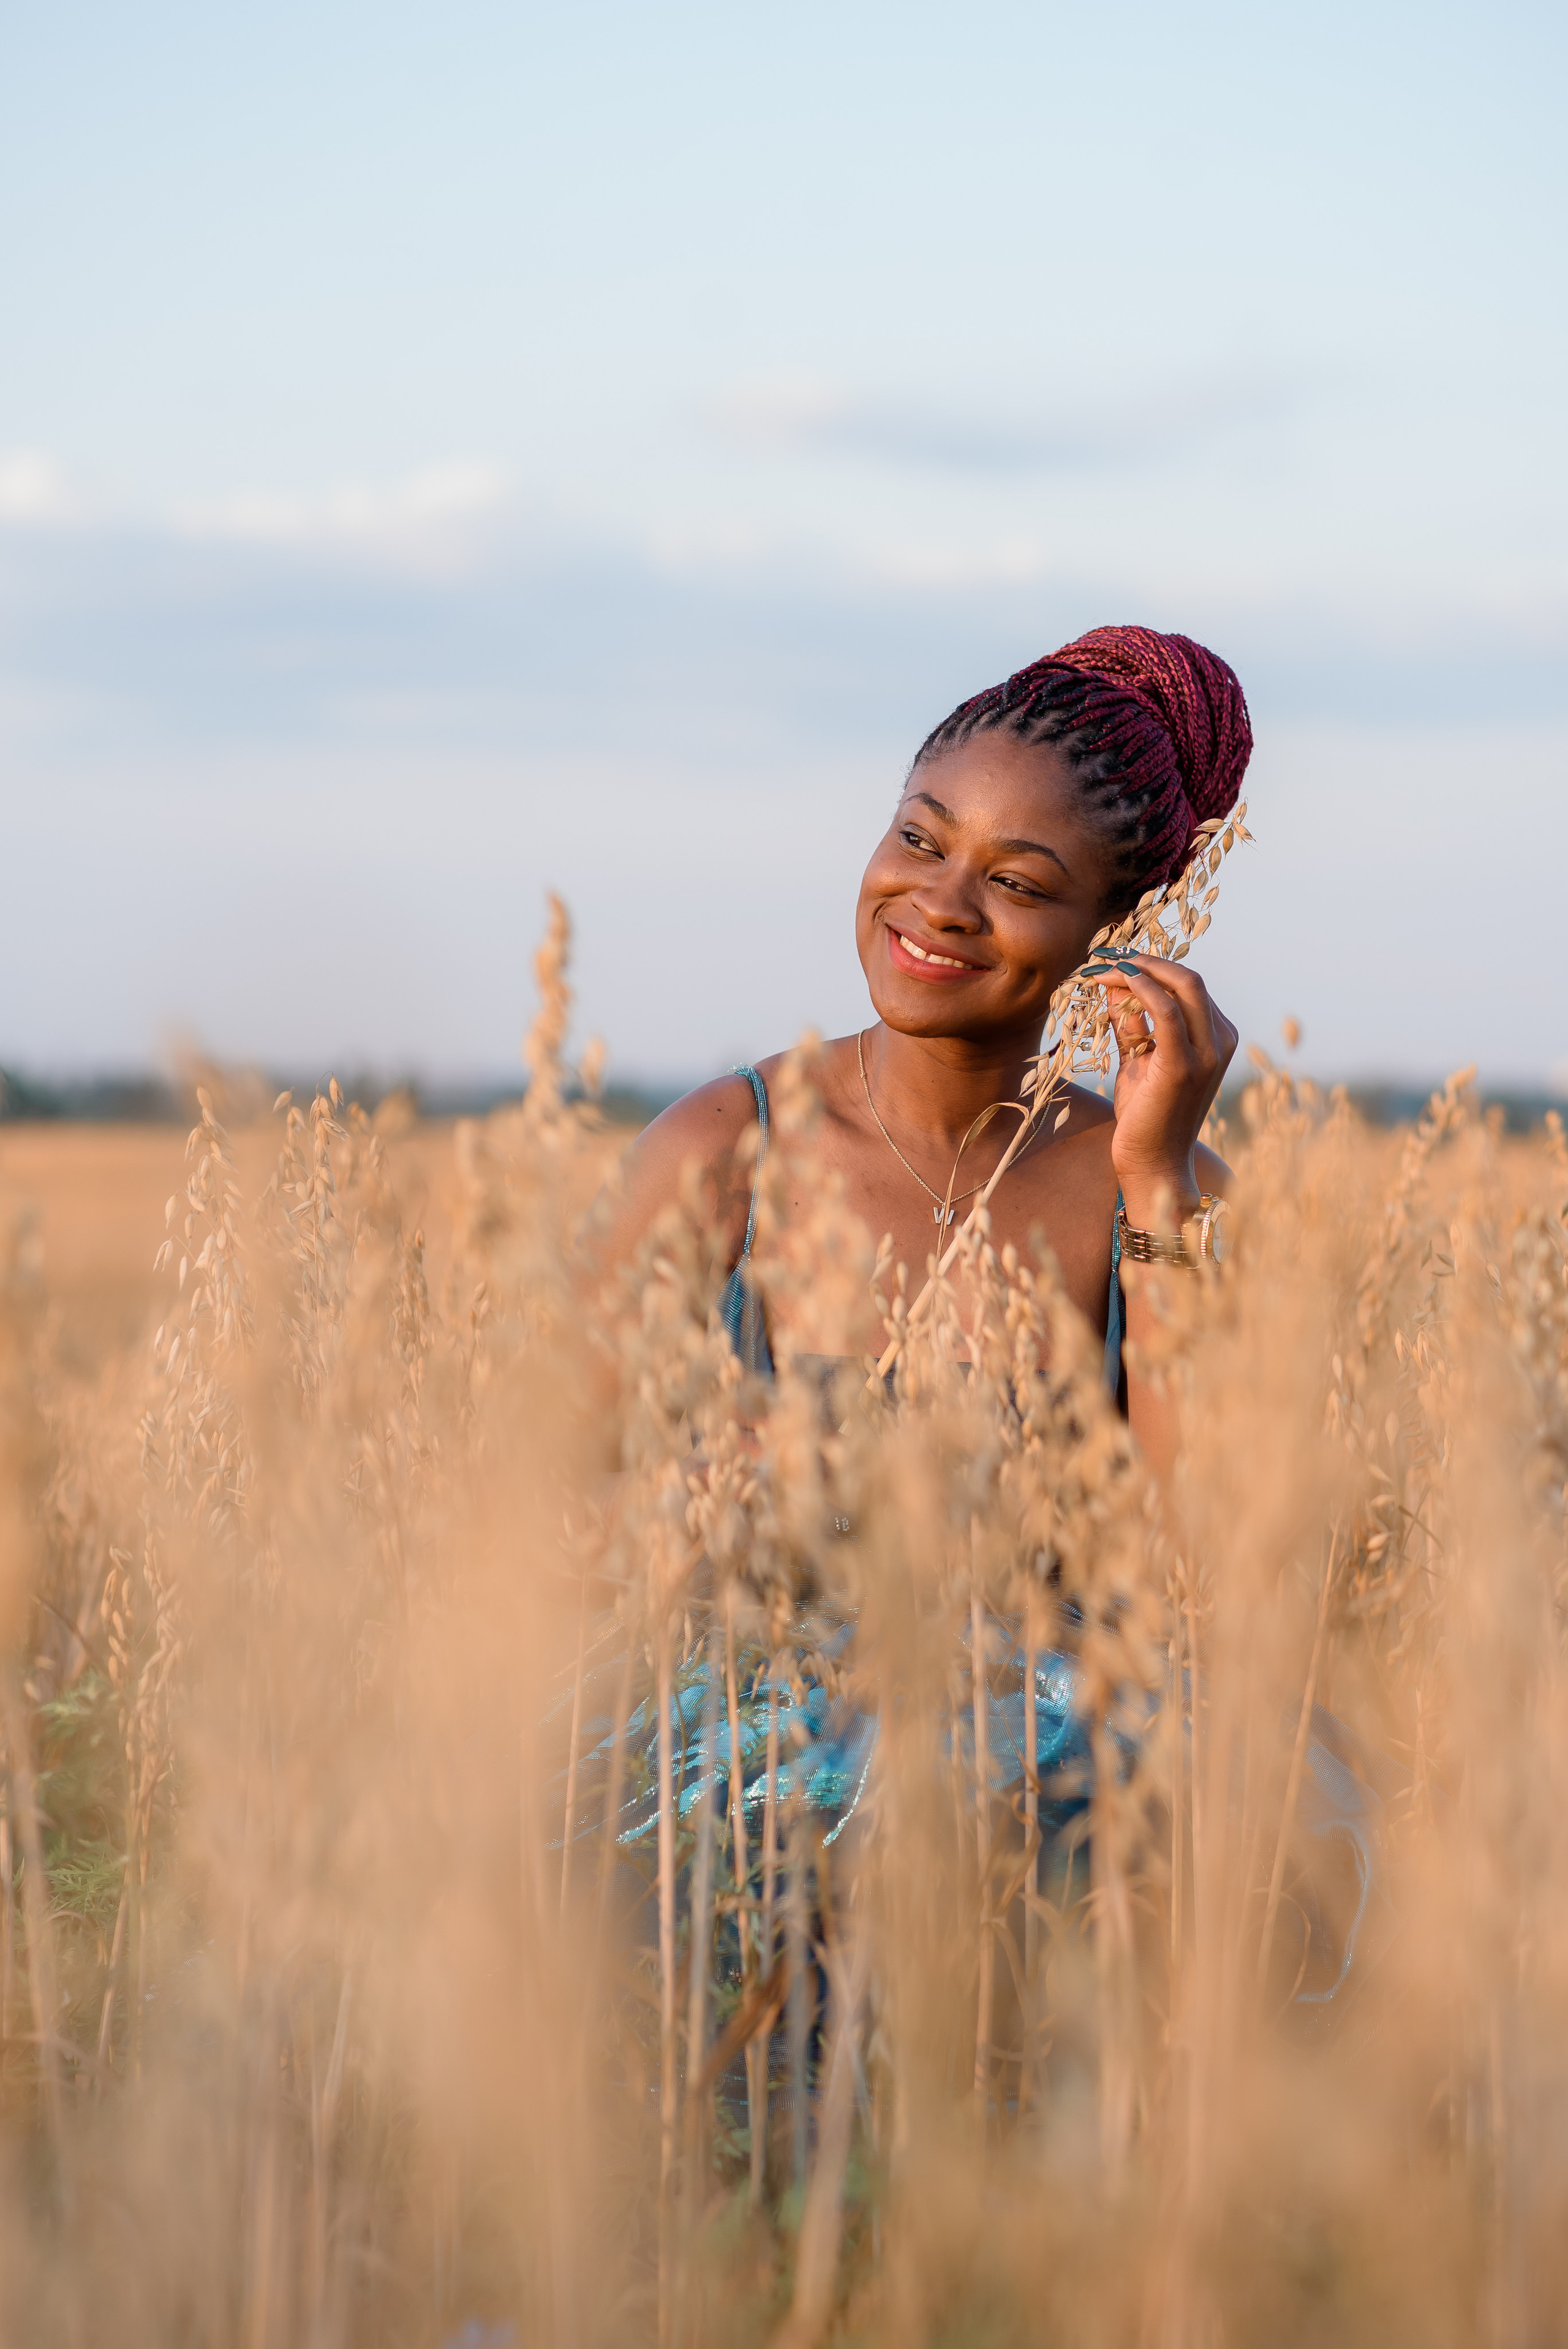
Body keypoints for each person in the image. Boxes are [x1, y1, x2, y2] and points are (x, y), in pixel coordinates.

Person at [597, 623, 1249, 1470]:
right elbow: (524, 1503)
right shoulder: (723, 1152)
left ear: (1119, 930)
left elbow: (1207, 1543)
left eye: (1015, 882)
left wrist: (1159, 1189)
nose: (941, 902)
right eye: (920, 840)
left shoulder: (1174, 1195)